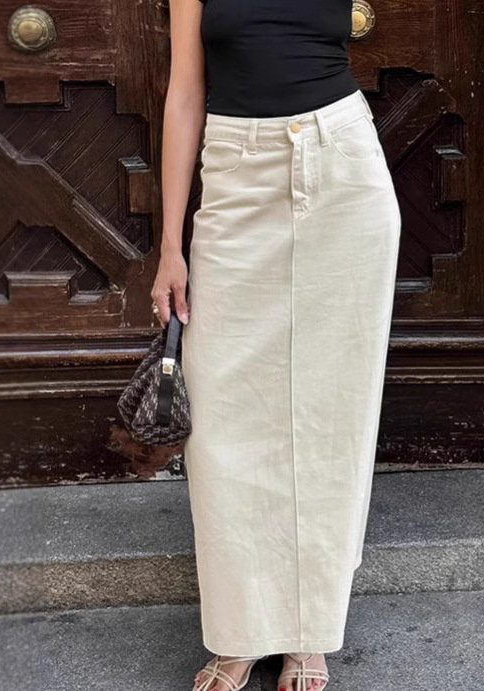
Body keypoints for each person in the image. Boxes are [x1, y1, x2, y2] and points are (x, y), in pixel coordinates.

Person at [150, 1, 401, 689]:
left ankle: (308, 633)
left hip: (341, 167)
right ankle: (240, 633)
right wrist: (171, 244)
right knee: (223, 420)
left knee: (329, 415)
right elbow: (185, 92)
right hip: (237, 173)